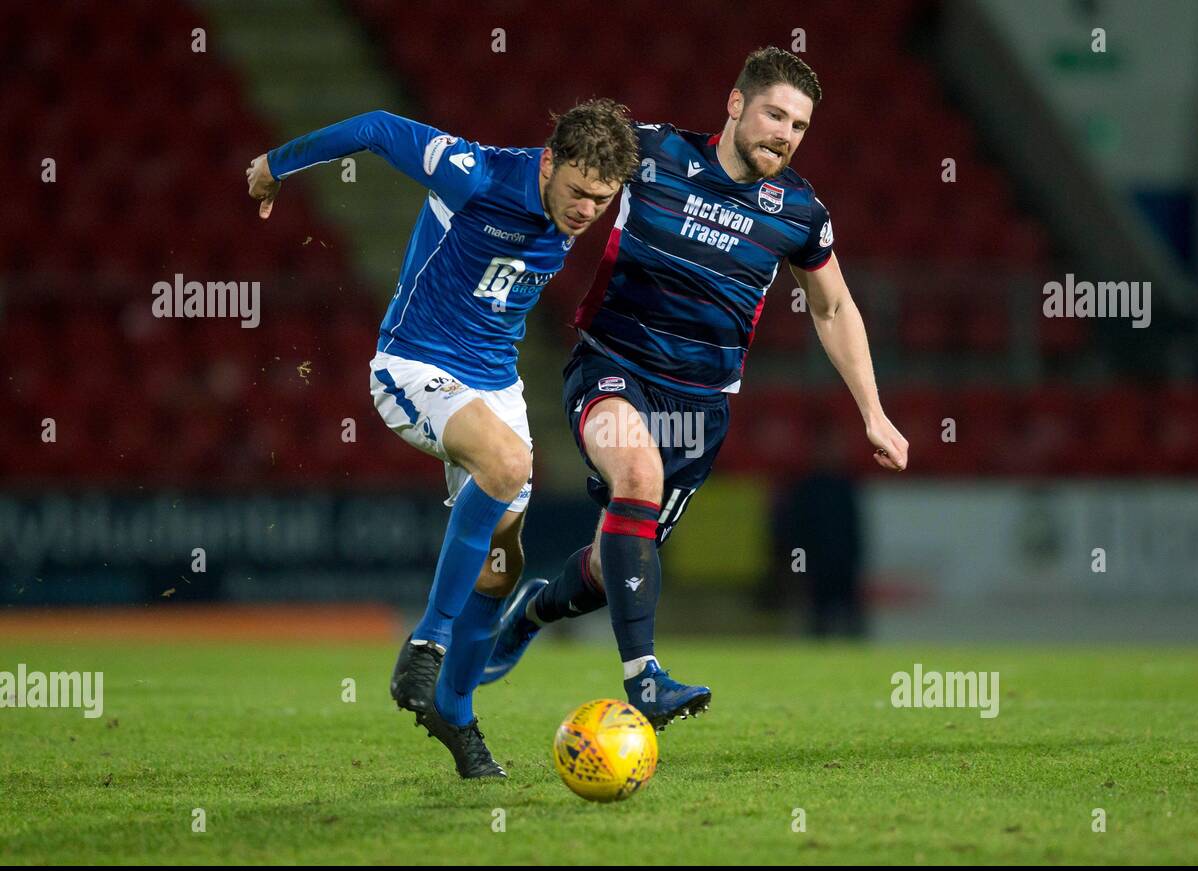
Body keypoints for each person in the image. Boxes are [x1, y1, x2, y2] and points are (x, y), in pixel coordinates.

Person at [483, 48, 908, 729]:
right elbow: (557, 172)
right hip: (610, 365)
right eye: (774, 114)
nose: (784, 134)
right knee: (636, 470)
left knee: (609, 564)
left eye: (799, 126)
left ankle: (537, 605)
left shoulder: (798, 212)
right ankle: (644, 679)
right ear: (735, 104)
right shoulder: (650, 153)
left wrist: (874, 414)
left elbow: (832, 309)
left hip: (700, 409)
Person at [245, 101, 639, 777]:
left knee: (502, 561)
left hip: (495, 384)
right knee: (508, 463)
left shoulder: (581, 202)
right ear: (549, 163)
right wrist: (274, 165)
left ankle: (454, 715)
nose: (584, 211)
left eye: (601, 201)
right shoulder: (476, 173)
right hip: (414, 365)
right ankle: (426, 645)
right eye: (576, 192)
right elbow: (373, 127)